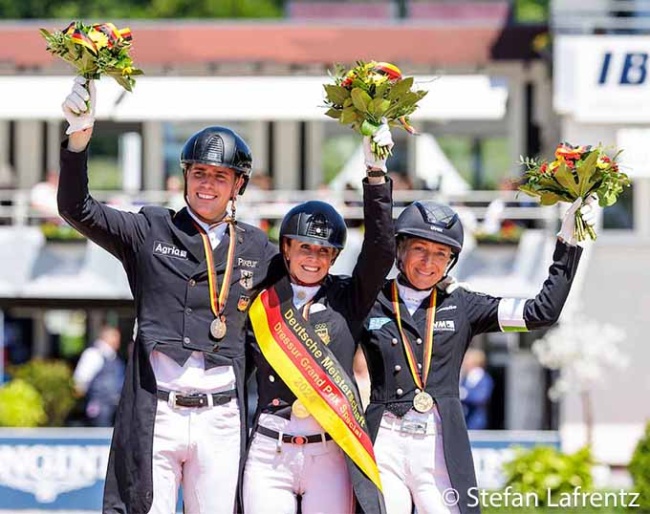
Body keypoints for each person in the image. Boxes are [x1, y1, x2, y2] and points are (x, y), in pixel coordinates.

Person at [58, 76, 277, 514]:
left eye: (219, 176)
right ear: (185, 177)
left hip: (221, 415)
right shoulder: (149, 229)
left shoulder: (259, 249)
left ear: (238, 186)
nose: (207, 185)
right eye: (199, 173)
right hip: (158, 411)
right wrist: (79, 139)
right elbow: (76, 208)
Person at [360, 197, 596, 514]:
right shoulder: (369, 300)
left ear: (451, 262)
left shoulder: (464, 305)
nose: (429, 262)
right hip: (384, 441)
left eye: (441, 254)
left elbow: (542, 312)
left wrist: (568, 243)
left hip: (438, 444)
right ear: (401, 249)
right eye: (420, 249)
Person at [243, 123, 395, 514]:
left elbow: (380, 250)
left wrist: (375, 175)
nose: (313, 258)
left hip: (328, 450)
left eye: (324, 251)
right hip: (269, 449)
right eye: (304, 248)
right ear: (287, 249)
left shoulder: (349, 298)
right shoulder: (264, 301)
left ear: (333, 258)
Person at [73, 326, 125, 427]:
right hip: (98, 406)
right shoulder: (93, 354)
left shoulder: (113, 357)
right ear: (106, 337)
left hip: (114, 407)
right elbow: (80, 381)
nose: (118, 341)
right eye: (115, 337)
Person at [459, 348, 494, 430]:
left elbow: (481, 397)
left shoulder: (483, 378)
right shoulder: (465, 378)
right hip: (465, 419)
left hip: (476, 421)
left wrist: (465, 394)